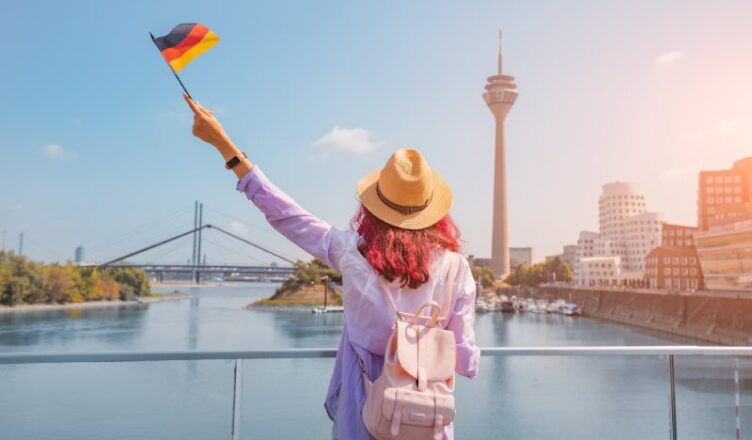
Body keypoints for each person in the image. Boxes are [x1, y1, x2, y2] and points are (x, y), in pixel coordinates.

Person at [184, 93, 480, 439]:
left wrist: (225, 145)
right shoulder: (457, 269)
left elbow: (286, 215)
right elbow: (466, 361)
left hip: (365, 411)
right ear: (434, 213)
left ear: (373, 207)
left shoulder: (352, 253)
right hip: (426, 421)